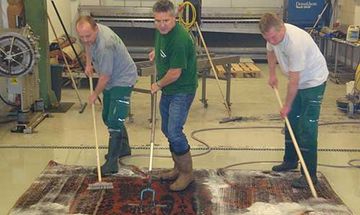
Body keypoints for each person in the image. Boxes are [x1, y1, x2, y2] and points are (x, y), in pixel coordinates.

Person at [259, 13, 328, 188]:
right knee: (291, 121)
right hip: (298, 80)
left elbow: (294, 82)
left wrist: (287, 106)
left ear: (282, 27)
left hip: (313, 82)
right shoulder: (272, 35)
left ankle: (310, 176)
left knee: (307, 126)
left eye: (274, 37)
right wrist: (272, 74)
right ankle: (290, 161)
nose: (272, 41)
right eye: (268, 38)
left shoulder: (295, 43)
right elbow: (270, 51)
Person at [76, 16, 138, 176]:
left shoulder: (105, 45)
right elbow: (88, 46)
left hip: (122, 79)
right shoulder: (90, 35)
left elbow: (104, 77)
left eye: (87, 36)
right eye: (81, 36)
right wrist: (88, 63)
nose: (85, 39)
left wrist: (94, 94)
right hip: (111, 79)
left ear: (95, 29)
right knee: (106, 116)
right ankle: (123, 147)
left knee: (114, 120)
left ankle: (112, 162)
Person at [149, 0, 198, 191]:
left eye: (166, 20)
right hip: (169, 89)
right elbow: (162, 47)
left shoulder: (180, 39)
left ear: (174, 18)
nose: (162, 24)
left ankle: (187, 173)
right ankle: (177, 168)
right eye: (158, 20)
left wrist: (157, 85)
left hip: (181, 89)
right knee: (166, 129)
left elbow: (175, 73)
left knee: (175, 131)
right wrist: (156, 52)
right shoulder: (161, 32)